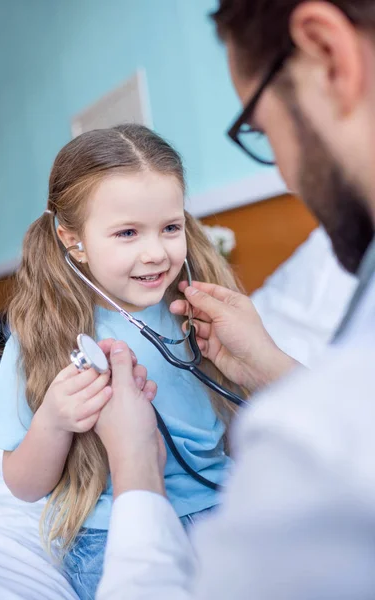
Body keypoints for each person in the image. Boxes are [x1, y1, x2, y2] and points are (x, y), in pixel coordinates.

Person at [94, 1, 375, 599]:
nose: (290, 177)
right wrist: (270, 368)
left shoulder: (307, 449)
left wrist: (137, 472)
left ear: (330, 55)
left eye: (263, 131)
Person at [0, 123, 278, 600]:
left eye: (170, 227)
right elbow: (23, 486)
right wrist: (55, 422)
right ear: (72, 239)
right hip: (109, 530)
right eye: (126, 232)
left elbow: (242, 431)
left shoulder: (201, 313)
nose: (155, 252)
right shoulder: (44, 334)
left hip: (223, 504)